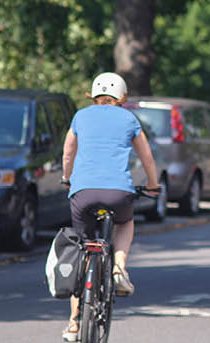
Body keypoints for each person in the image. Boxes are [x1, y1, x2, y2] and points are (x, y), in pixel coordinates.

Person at [60, 72, 160, 342]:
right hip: (119, 193)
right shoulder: (129, 118)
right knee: (125, 222)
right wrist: (153, 185)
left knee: (81, 249)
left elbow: (68, 152)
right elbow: (147, 158)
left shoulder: (81, 116)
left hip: (82, 194)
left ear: (93, 97)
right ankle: (118, 267)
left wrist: (67, 179)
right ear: (122, 98)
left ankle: (73, 323)